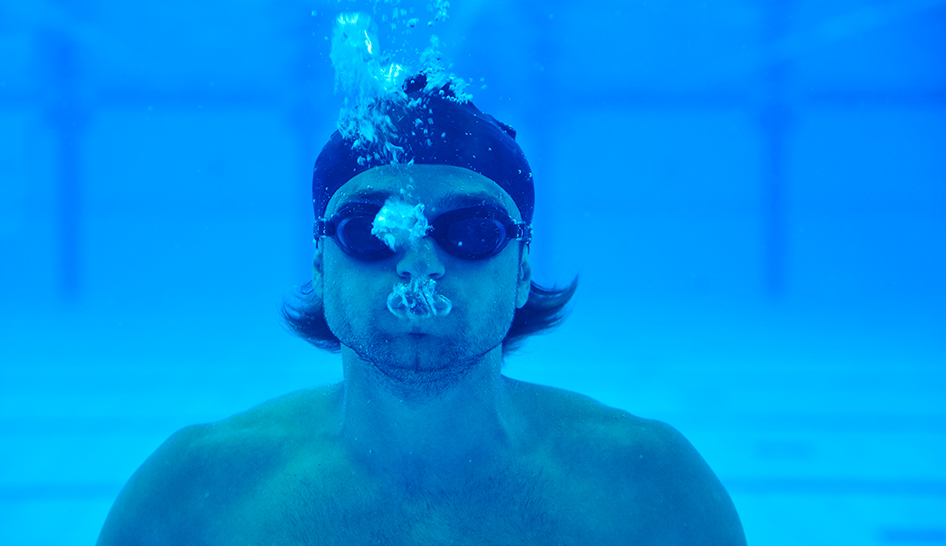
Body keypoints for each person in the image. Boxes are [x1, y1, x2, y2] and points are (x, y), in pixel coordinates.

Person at [97, 74, 746, 545]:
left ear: (521, 269)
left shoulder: (652, 490)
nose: (418, 265)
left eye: (471, 232)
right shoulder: (193, 495)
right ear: (322, 265)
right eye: (371, 230)